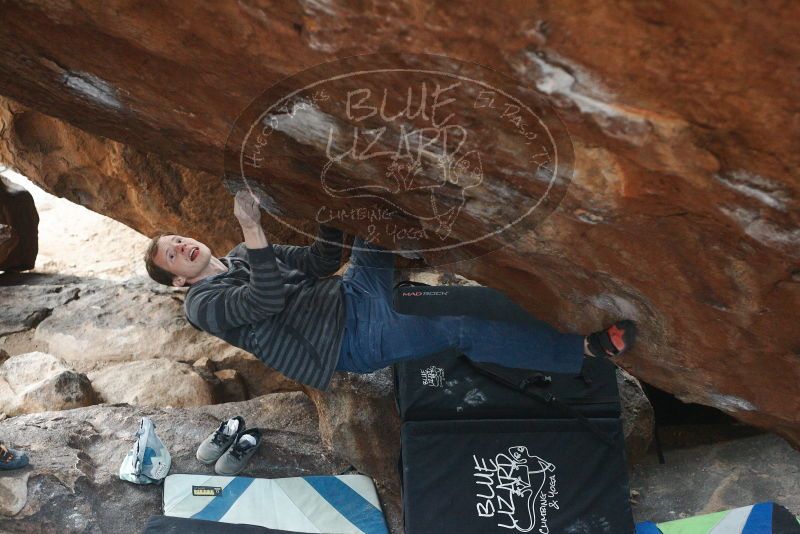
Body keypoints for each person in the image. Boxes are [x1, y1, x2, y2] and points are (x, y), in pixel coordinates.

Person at [143, 190, 637, 390]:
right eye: (172, 253)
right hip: (350, 341)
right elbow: (264, 301)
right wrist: (253, 228)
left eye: (178, 238)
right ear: (179, 280)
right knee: (456, 326)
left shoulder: (243, 254)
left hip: (352, 294)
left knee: (375, 217)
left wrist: (326, 215)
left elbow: (318, 263)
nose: (183, 245)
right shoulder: (203, 307)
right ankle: (585, 350)